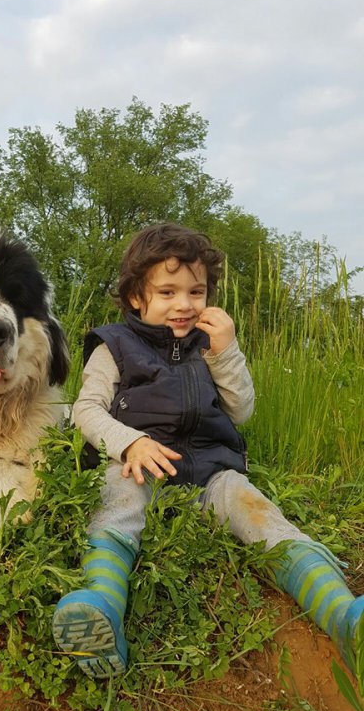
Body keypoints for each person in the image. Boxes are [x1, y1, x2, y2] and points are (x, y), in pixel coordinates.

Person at [52, 223, 364, 683]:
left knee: (259, 514)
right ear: (137, 297)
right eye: (168, 291)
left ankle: (343, 617)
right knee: (119, 497)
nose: (184, 304)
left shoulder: (209, 347)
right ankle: (101, 602)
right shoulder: (115, 345)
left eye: (196, 291)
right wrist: (129, 443)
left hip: (212, 470)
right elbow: (86, 409)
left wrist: (226, 353)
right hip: (141, 465)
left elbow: (241, 411)